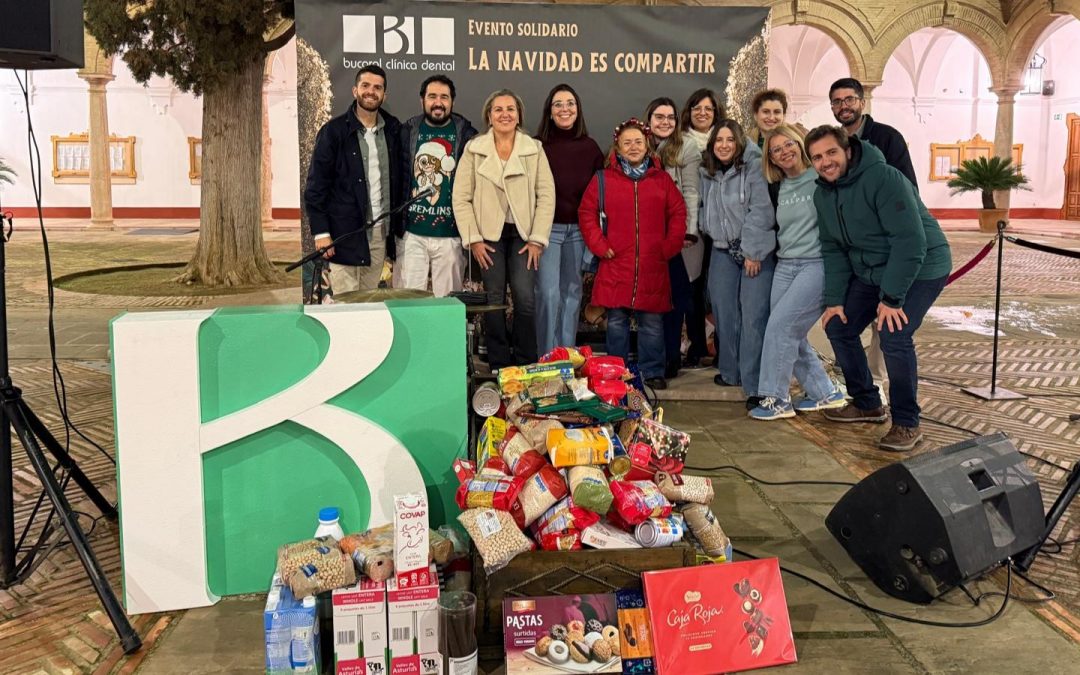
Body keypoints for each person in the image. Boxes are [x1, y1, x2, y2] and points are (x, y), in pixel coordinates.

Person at [806, 125, 952, 452]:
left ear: (847, 149)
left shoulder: (884, 178)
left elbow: (910, 242)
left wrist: (892, 298)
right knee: (837, 325)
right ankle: (867, 402)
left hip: (922, 266)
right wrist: (835, 300)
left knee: (893, 335)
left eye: (831, 152)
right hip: (871, 270)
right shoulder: (823, 194)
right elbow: (833, 248)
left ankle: (906, 422)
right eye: (816, 157)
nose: (825, 161)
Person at [578, 118, 686, 390]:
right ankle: (615, 372)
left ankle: (652, 372)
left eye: (638, 141)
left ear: (647, 144)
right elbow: (586, 214)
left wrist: (669, 246)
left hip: (653, 264)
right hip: (616, 263)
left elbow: (678, 212)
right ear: (618, 147)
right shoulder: (603, 179)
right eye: (627, 142)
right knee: (616, 322)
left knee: (652, 323)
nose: (634, 146)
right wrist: (600, 245)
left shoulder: (661, 180)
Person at [452, 89, 555, 369]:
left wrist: (537, 239)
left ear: (519, 115)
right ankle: (498, 363)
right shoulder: (474, 149)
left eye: (511, 109)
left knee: (525, 299)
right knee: (493, 300)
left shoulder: (533, 149)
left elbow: (546, 195)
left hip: (524, 236)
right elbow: (461, 197)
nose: (505, 114)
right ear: (489, 115)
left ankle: (525, 365)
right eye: (498, 109)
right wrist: (473, 238)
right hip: (489, 238)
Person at [749, 124, 845, 420]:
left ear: (799, 143)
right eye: (776, 150)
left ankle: (776, 398)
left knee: (781, 327)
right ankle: (824, 392)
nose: (784, 152)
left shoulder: (819, 178)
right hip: (786, 264)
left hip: (815, 264)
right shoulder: (778, 185)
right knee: (789, 331)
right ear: (772, 159)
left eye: (788, 144)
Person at [305, 65, 404, 293]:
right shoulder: (333, 132)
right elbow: (316, 186)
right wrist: (321, 232)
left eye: (377, 87)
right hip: (344, 235)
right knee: (346, 308)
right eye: (365, 86)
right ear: (354, 91)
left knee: (368, 303)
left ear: (384, 95)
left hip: (380, 235)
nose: (371, 91)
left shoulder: (393, 131)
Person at [698, 119, 776, 409]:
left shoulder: (753, 168)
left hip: (754, 252)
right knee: (724, 313)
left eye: (730, 139)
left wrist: (753, 252)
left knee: (753, 317)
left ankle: (754, 384)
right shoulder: (707, 172)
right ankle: (730, 372)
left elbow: (761, 211)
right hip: (721, 251)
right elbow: (703, 206)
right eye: (719, 140)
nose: (724, 145)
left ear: (739, 142)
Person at [534, 84, 604, 354]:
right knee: (548, 294)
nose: (565, 109)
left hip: (578, 231)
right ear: (550, 112)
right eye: (558, 104)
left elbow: (600, 194)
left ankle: (566, 357)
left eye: (570, 103)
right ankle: (546, 358)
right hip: (546, 231)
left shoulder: (590, 147)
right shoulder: (537, 146)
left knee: (572, 294)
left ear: (578, 110)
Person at [398, 75, 478, 297]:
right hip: (411, 235)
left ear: (452, 101)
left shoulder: (468, 136)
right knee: (409, 301)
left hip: (451, 235)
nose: (438, 102)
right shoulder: (407, 132)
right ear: (422, 99)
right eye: (432, 96)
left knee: (447, 306)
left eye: (444, 97)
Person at [646, 98, 701, 379]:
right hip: (645, 235)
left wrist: (688, 230)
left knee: (676, 299)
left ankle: (671, 359)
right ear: (650, 118)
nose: (665, 122)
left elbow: (691, 190)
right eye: (659, 116)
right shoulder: (640, 143)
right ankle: (655, 360)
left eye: (670, 117)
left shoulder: (686, 146)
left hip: (676, 236)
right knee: (652, 301)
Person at [679, 89, 722, 369]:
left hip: (721, 228)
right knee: (693, 288)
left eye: (708, 108)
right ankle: (695, 346)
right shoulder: (680, 143)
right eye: (697, 108)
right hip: (692, 226)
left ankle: (721, 348)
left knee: (718, 291)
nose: (702, 113)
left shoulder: (728, 140)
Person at [828, 77, 917, 188]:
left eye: (850, 99)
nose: (843, 106)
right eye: (837, 102)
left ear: (862, 103)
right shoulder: (832, 143)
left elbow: (908, 187)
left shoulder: (889, 137)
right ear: (832, 108)